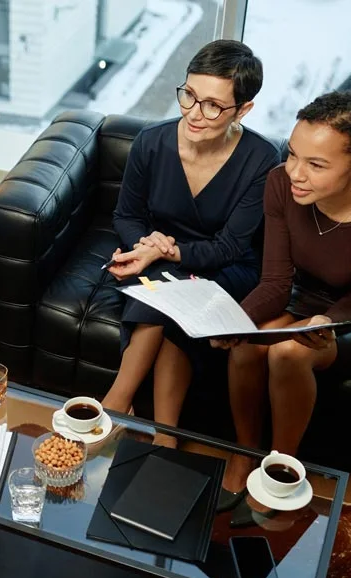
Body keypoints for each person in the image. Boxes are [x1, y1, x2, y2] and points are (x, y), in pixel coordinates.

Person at [214, 91, 351, 511]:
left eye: (316, 164)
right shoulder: (279, 184)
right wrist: (234, 322)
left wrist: (325, 320)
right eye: (292, 155)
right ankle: (244, 450)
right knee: (249, 343)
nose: (296, 174)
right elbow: (274, 282)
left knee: (288, 352)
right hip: (304, 296)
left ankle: (281, 471)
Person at [102, 40, 280, 443]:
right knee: (167, 285)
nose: (194, 114)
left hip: (226, 266)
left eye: (213, 106)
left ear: (244, 110)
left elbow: (232, 246)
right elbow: (126, 216)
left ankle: (116, 402)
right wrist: (147, 244)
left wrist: (165, 251)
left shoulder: (261, 160)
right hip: (161, 256)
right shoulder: (151, 141)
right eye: (189, 96)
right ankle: (165, 433)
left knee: (170, 283)